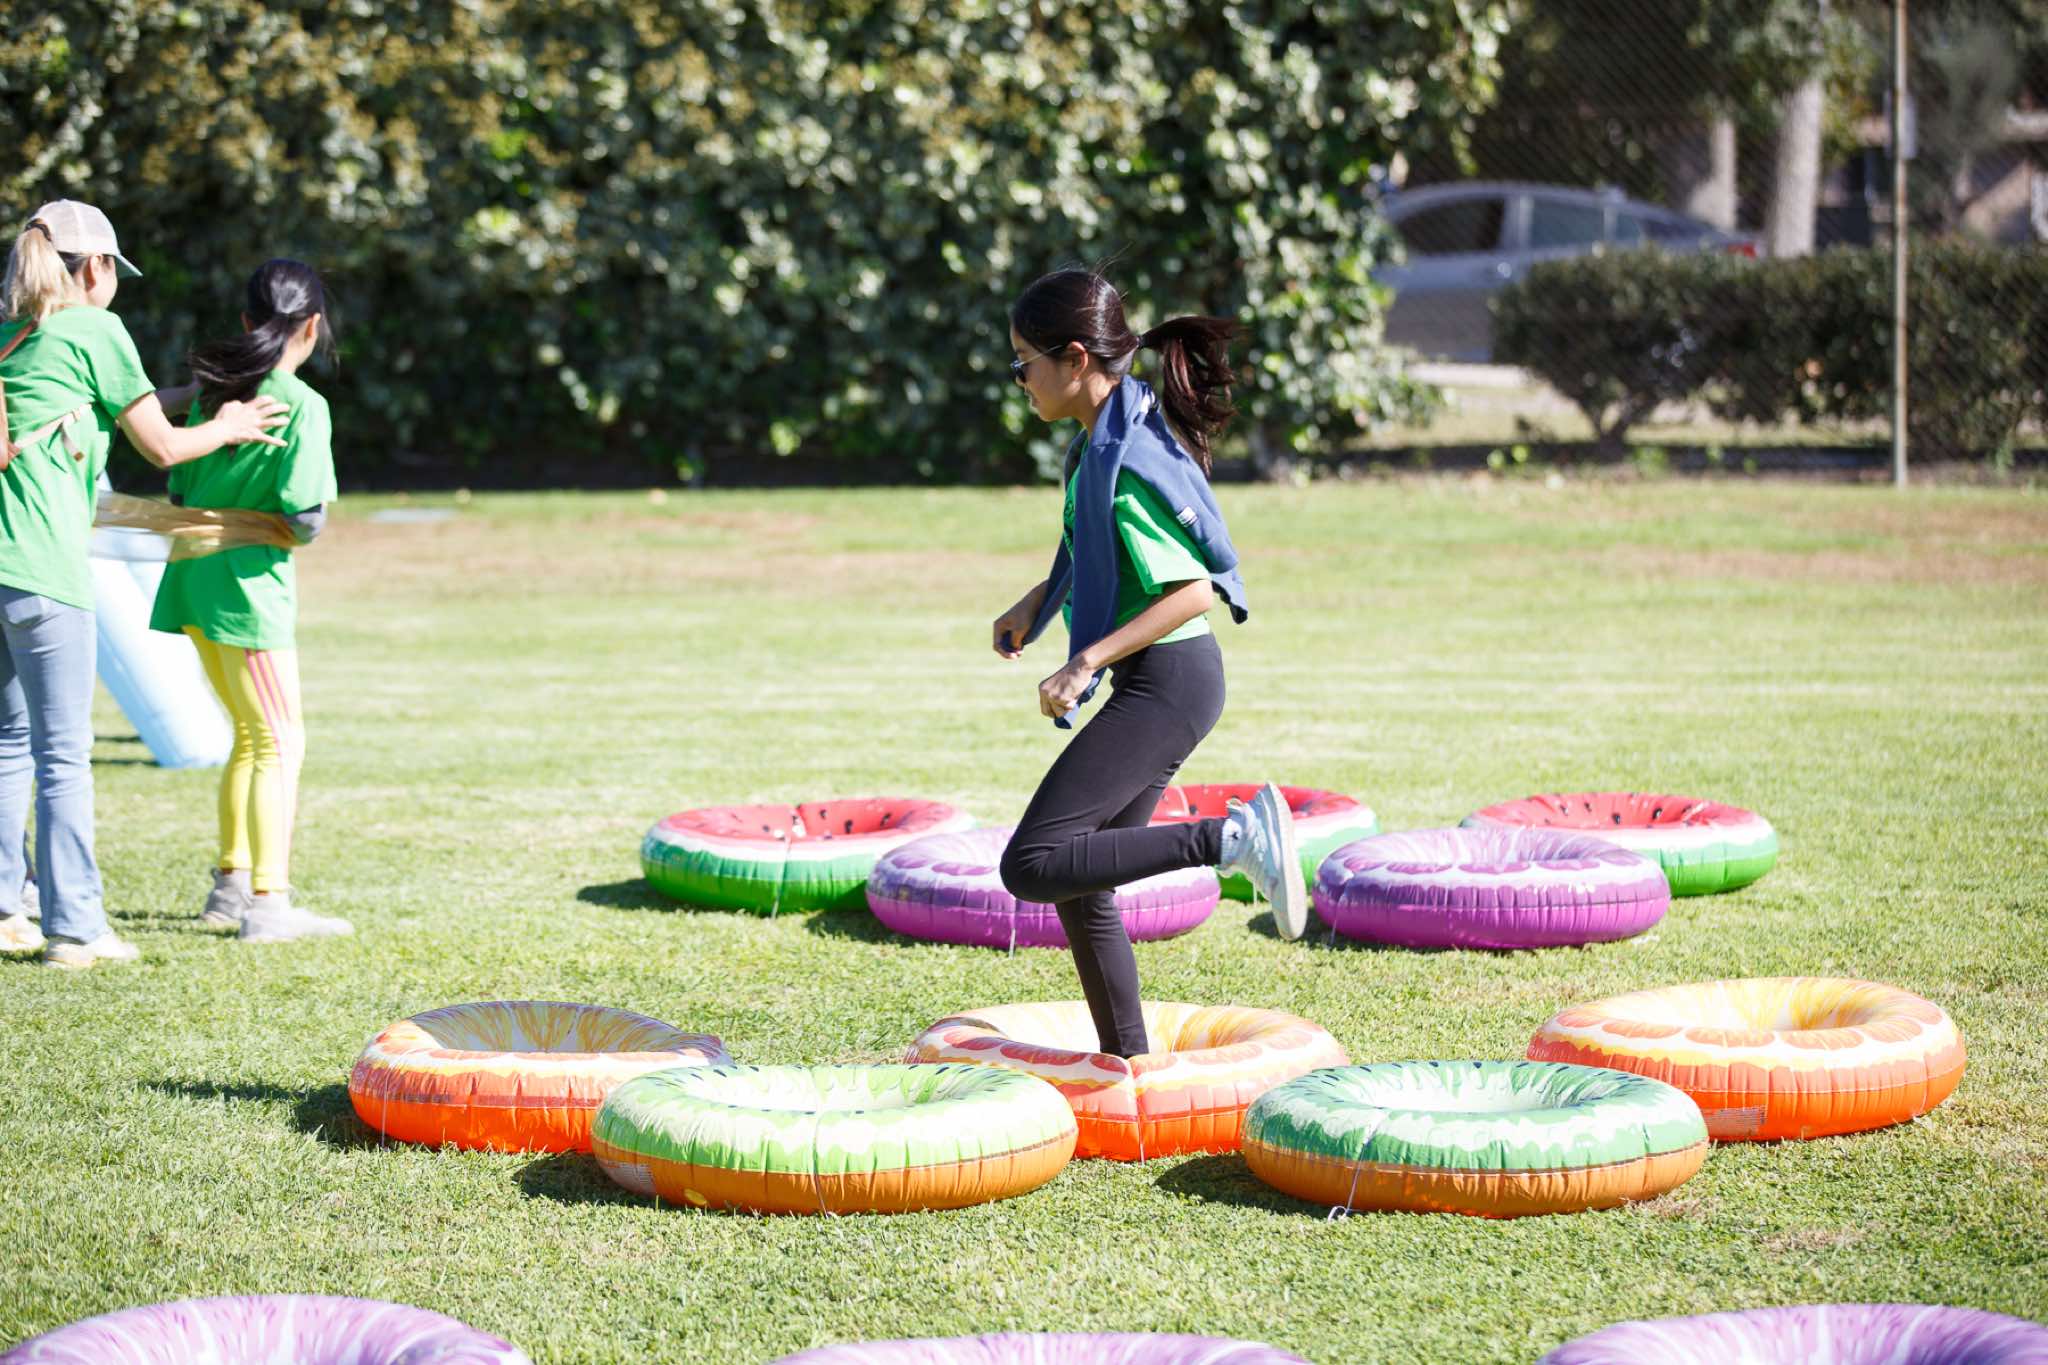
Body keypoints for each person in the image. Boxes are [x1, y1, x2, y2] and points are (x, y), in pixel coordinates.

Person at [990, 268, 1307, 1060]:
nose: (1019, 379)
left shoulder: (1127, 457)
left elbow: (1193, 590)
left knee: (1033, 862)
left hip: (1169, 681)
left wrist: (1084, 660)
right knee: (1080, 881)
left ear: (1074, 359)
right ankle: (1128, 1061)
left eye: (1023, 362)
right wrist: (1040, 600)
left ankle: (1230, 839)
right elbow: (1096, 547)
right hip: (1162, 681)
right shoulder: (1102, 439)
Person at [0, 200, 287, 968]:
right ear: (95, 267)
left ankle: (6, 911)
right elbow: (160, 448)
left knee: (7, 745)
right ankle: (76, 928)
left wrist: (192, 396)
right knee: (63, 755)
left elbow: (113, 404)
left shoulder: (12, 334)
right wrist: (228, 425)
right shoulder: (96, 329)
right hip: (42, 572)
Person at [150, 259, 351, 944]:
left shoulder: (214, 397)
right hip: (246, 594)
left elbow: (179, 491)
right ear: (313, 326)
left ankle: (230, 889)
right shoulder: (304, 405)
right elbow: (305, 517)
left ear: (246, 321)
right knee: (280, 741)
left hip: (193, 581)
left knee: (249, 733)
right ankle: (269, 905)